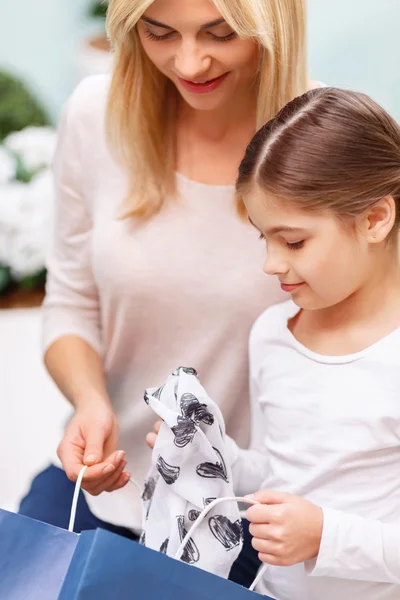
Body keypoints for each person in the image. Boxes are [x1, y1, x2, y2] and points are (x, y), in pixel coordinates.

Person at [19, 0, 317, 587]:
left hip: (252, 515)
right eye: (160, 33)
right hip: (110, 485)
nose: (189, 61)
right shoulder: (92, 116)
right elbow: (72, 302)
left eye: (220, 34)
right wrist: (89, 401)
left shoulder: (327, 138)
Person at [230, 87, 400, 599]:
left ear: (374, 219)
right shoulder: (272, 336)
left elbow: (318, 521)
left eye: (294, 241)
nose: (271, 264)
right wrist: (220, 458)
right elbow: (282, 474)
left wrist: (326, 536)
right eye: (264, 238)